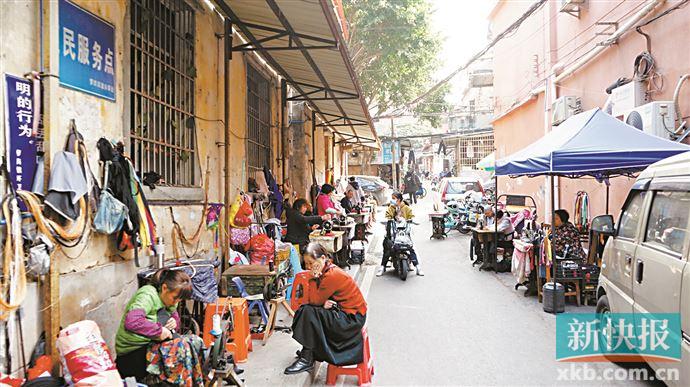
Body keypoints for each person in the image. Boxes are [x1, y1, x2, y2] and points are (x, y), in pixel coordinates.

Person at [285, 243, 368, 374]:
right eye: (306, 264)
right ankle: (309, 352)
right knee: (308, 311)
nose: (308, 267)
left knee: (308, 311)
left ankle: (307, 358)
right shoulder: (327, 270)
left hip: (351, 320)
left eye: (311, 263)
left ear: (323, 258)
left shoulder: (331, 275)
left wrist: (312, 278)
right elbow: (317, 301)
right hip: (345, 313)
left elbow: (313, 301)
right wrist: (323, 303)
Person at [115, 268, 193, 380]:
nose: (176, 302)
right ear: (164, 288)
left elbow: (174, 316)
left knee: (189, 345)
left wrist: (174, 321)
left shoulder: (170, 299)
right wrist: (160, 331)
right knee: (177, 353)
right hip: (132, 351)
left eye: (179, 300)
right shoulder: (147, 295)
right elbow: (132, 321)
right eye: (175, 298)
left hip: (149, 344)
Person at [376, 192, 424, 277]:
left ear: (399, 199)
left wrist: (410, 220)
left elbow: (411, 216)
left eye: (394, 198)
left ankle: (417, 267)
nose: (392, 200)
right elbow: (387, 216)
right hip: (393, 233)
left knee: (411, 248)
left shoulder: (406, 208)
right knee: (387, 247)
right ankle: (382, 267)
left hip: (404, 233)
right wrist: (390, 219)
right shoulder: (391, 208)